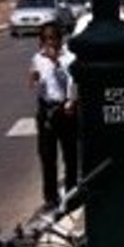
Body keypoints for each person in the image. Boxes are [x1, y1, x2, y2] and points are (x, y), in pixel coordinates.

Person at [29, 21, 78, 207]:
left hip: (65, 109)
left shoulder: (69, 58)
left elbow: (71, 82)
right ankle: (50, 197)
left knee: (70, 155)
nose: (49, 43)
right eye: (45, 39)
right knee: (47, 156)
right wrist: (33, 78)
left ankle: (72, 193)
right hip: (47, 110)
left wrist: (56, 62)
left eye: (53, 38)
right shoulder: (37, 58)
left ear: (59, 40)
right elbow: (34, 82)